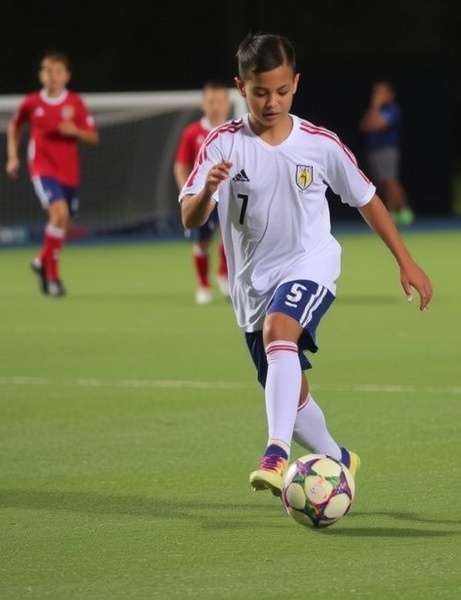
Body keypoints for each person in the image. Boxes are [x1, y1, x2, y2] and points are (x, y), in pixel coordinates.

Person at [179, 34, 432, 496]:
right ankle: (338, 458)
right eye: (259, 92)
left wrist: (406, 261)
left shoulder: (320, 144)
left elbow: (367, 198)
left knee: (281, 331)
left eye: (280, 91)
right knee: (290, 395)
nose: (271, 101)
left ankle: (275, 454)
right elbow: (189, 216)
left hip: (310, 264)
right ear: (242, 87)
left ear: (295, 84)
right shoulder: (221, 144)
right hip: (251, 287)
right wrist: (206, 192)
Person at [5, 51, 99, 297]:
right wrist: (13, 156)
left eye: (58, 71)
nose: (52, 76)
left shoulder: (75, 103)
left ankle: (41, 261)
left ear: (66, 76)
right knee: (59, 213)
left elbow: (93, 136)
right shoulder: (32, 103)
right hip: (42, 168)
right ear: (41, 75)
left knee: (62, 222)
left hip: (69, 172)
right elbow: (14, 127)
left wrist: (75, 130)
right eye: (48, 71)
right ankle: (54, 276)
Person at [174, 81, 231, 304]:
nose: (215, 105)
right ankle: (203, 284)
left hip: (228, 196)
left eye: (219, 100)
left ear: (227, 103)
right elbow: (181, 164)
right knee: (202, 242)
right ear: (203, 104)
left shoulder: (234, 132)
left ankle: (224, 275)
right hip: (204, 196)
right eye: (210, 101)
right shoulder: (192, 133)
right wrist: (186, 192)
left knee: (230, 238)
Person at [359, 81, 414, 226]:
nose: (377, 95)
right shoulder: (375, 109)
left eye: (380, 92)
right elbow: (365, 125)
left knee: (390, 181)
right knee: (384, 182)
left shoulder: (392, 109)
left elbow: (377, 125)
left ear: (389, 94)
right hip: (374, 150)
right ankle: (399, 212)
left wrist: (375, 107)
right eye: (375, 92)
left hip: (387, 150)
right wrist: (374, 108)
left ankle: (397, 212)